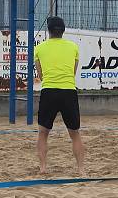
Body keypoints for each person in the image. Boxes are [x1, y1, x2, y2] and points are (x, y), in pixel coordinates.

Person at [34, 16, 85, 175]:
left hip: (49, 91)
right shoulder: (73, 47)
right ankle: (81, 169)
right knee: (75, 134)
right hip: (68, 91)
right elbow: (72, 72)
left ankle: (43, 168)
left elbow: (40, 74)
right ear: (63, 30)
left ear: (48, 31)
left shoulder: (40, 48)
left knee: (43, 133)